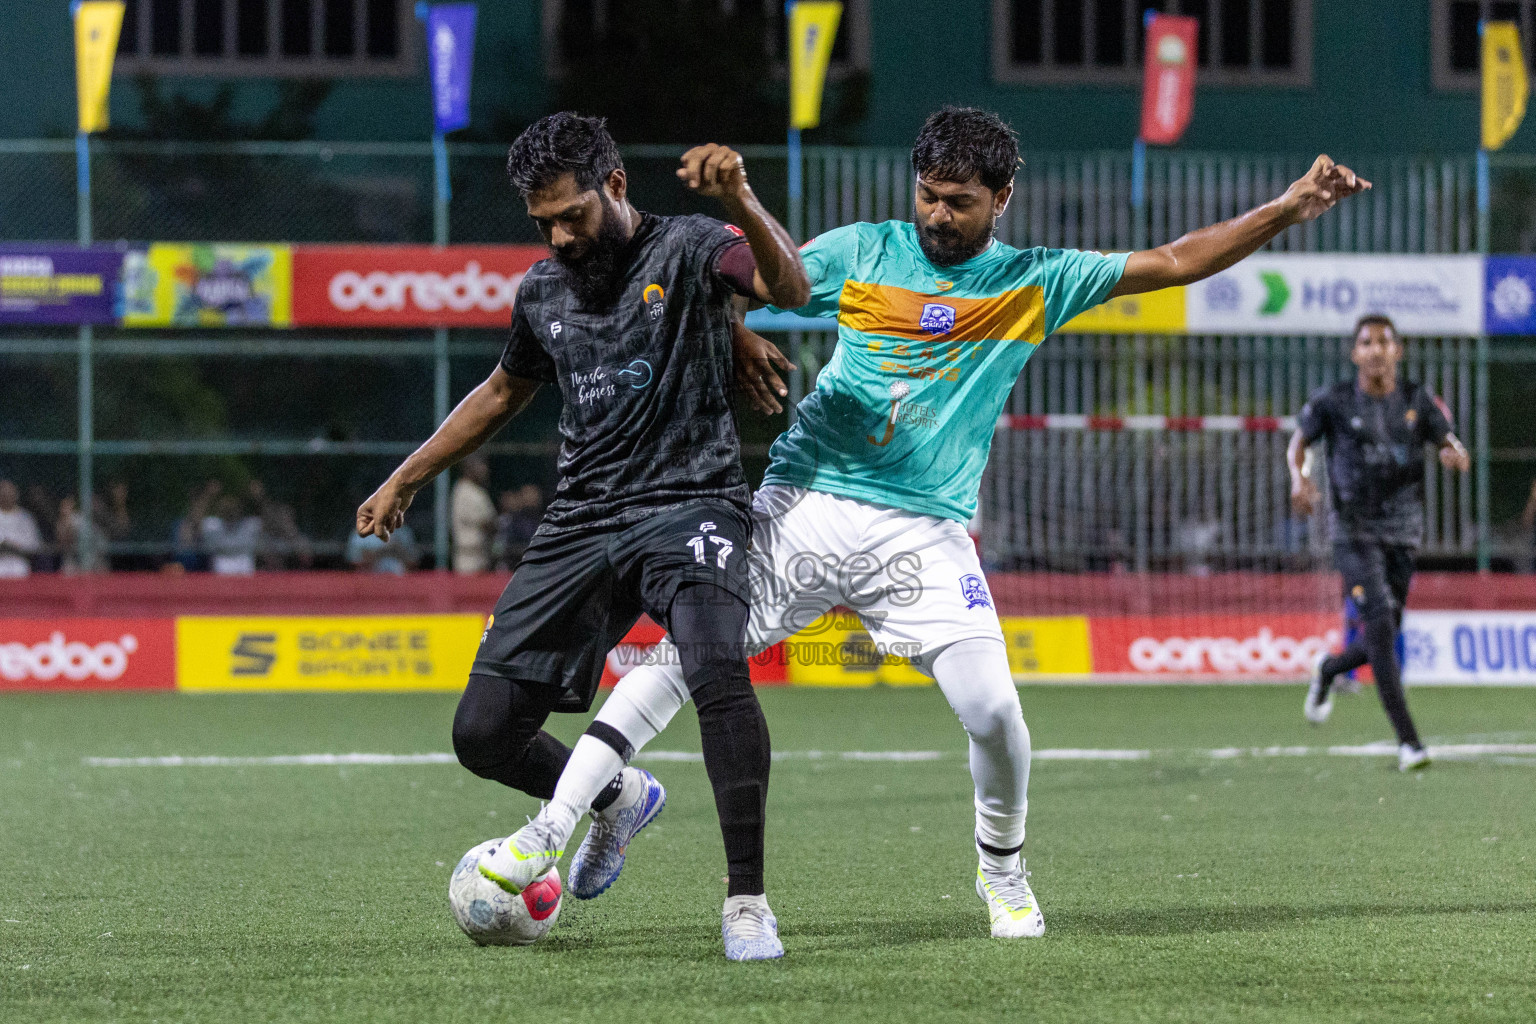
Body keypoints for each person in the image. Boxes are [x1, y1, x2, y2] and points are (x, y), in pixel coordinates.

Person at [527, 106, 1371, 942]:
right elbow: (746, 273)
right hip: (806, 498)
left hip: (924, 533)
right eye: (928, 194)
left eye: (958, 201)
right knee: (678, 661)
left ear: (1001, 198)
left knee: (996, 715)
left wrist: (1285, 209)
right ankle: (546, 839)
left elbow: (1176, 260)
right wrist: (741, 334)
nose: (937, 213)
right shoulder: (865, 250)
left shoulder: (1037, 278)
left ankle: (1001, 868)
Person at [355, 112, 809, 960]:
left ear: (617, 186)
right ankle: (618, 799)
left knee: (715, 668)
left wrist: (742, 197)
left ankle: (746, 902)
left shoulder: (692, 244)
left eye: (574, 215)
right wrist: (405, 477)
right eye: (544, 224)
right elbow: (499, 394)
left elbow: (790, 290)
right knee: (482, 733)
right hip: (583, 518)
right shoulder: (540, 291)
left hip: (691, 501)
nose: (562, 236)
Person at [1291, 314, 1471, 772]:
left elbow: (1446, 437)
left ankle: (1330, 669)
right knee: (1378, 626)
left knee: (1383, 635)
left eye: (1383, 342)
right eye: (1366, 342)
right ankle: (1410, 743)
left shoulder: (1417, 399)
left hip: (1403, 531)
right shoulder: (1333, 400)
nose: (1375, 349)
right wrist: (1301, 479)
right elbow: (1299, 444)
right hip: (1352, 531)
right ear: (1355, 353)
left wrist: (1453, 449)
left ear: (1398, 351)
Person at [451, 455, 497, 573]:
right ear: (469, 468)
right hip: (468, 558)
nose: (484, 469)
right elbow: (486, 523)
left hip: (481, 555)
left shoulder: (477, 491)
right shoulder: (464, 491)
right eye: (480, 466)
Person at [201, 493, 263, 575]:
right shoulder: (212, 524)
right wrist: (208, 495)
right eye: (227, 509)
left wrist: (259, 498)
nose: (230, 513)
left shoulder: (251, 524)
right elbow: (195, 521)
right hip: (222, 559)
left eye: (233, 509)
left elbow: (271, 521)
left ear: (240, 510)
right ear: (221, 511)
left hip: (244, 560)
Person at [491, 484, 543, 571]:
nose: (531, 498)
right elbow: (502, 547)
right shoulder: (512, 521)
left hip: (539, 566)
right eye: (527, 495)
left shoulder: (544, 520)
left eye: (534, 495)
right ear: (521, 498)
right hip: (515, 565)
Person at [0, 479, 43, 578]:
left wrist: (15, 546)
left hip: (20, 561)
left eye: (10, 492)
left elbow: (34, 545)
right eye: (3, 492)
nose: (7, 495)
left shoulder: (26, 517)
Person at [347, 521, 419, 575]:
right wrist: (383, 550)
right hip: (370, 583)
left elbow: (413, 563)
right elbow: (355, 564)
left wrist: (397, 549)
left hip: (400, 584)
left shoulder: (404, 532)